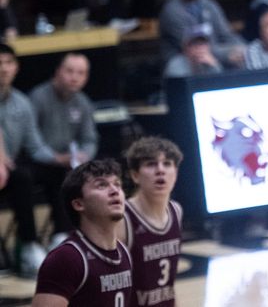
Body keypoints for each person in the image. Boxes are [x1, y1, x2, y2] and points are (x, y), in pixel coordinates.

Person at [0, 43, 69, 276]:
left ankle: (60, 237)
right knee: (21, 176)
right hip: (6, 169)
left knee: (57, 172)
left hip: (10, 168)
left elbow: (34, 145)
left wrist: (60, 158)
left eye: (8, 63)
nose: (3, 68)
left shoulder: (22, 103)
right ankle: (28, 245)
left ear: (16, 67)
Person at [32, 159, 133, 307]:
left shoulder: (123, 251)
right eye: (102, 185)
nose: (114, 190)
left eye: (117, 184)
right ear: (79, 204)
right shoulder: (66, 259)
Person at [29, 52, 99, 249]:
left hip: (69, 161)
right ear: (58, 71)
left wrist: (84, 155)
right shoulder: (38, 97)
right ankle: (60, 235)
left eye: (81, 73)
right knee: (61, 176)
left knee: (94, 173)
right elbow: (31, 142)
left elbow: (90, 139)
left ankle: (92, 234)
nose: (74, 77)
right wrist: (57, 158)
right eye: (69, 71)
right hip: (39, 161)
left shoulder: (83, 102)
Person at [117, 137, 184, 307]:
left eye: (167, 163)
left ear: (175, 173)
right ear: (135, 175)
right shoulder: (122, 219)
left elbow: (168, 284)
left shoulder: (176, 211)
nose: (160, 170)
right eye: (151, 164)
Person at [158, 0, 245, 68]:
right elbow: (192, 47)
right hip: (181, 58)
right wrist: (226, 56)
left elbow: (226, 33)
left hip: (213, 52)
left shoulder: (208, 3)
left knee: (243, 56)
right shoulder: (171, 10)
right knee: (206, 61)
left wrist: (242, 49)